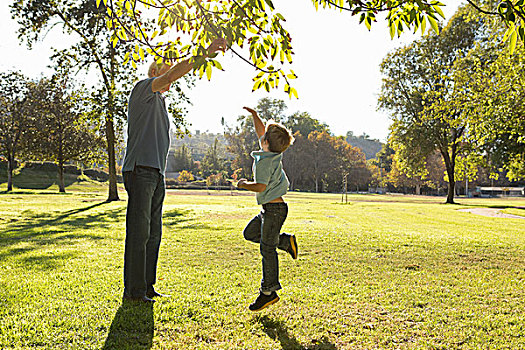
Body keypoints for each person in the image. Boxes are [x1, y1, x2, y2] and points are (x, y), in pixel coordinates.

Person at [121, 38, 227, 303]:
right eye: (166, 71)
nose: (170, 78)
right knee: (139, 231)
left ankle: (147, 286)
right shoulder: (143, 89)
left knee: (154, 232)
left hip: (155, 172)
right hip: (139, 169)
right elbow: (173, 73)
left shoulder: (161, 103)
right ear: (155, 72)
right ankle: (133, 291)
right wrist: (205, 52)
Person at [237, 106, 298, 312]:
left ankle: (268, 292)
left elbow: (261, 186)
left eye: (263, 136)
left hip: (274, 210)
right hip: (270, 209)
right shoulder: (272, 153)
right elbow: (261, 131)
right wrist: (255, 115)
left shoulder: (264, 162)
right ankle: (285, 241)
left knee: (267, 249)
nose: (260, 136)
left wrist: (244, 184)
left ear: (265, 143)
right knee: (250, 233)